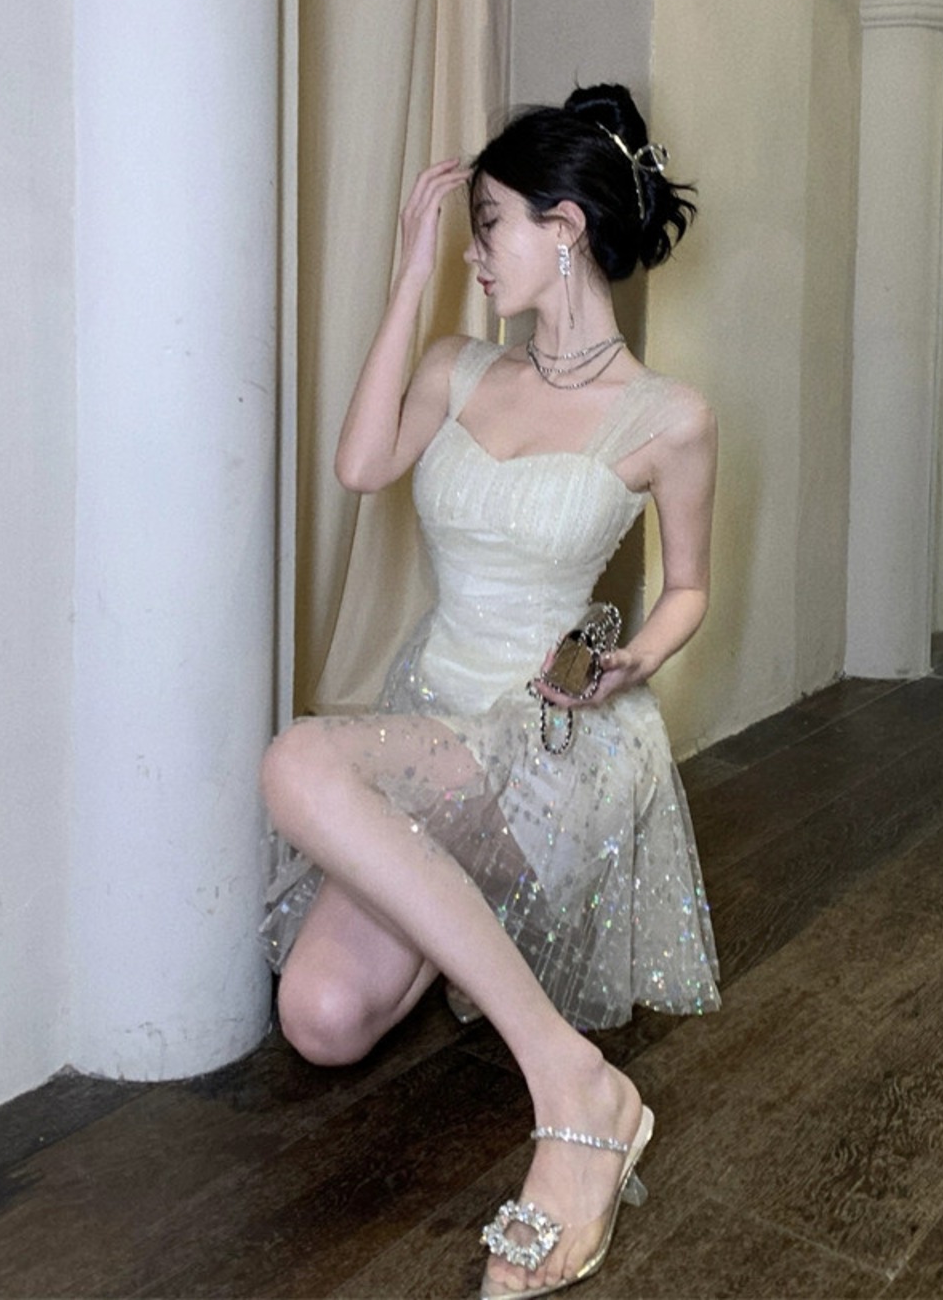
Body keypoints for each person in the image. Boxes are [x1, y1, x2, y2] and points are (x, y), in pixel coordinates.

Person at [259, 83, 721, 1299]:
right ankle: (480, 947)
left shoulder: (668, 416)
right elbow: (359, 463)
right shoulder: (457, 367)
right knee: (319, 1016)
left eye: (488, 225)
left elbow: (687, 587)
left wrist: (632, 660)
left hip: (550, 745)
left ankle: (572, 1089)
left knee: (298, 759)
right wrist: (410, 273)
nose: (475, 250)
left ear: (565, 227)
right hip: (437, 712)